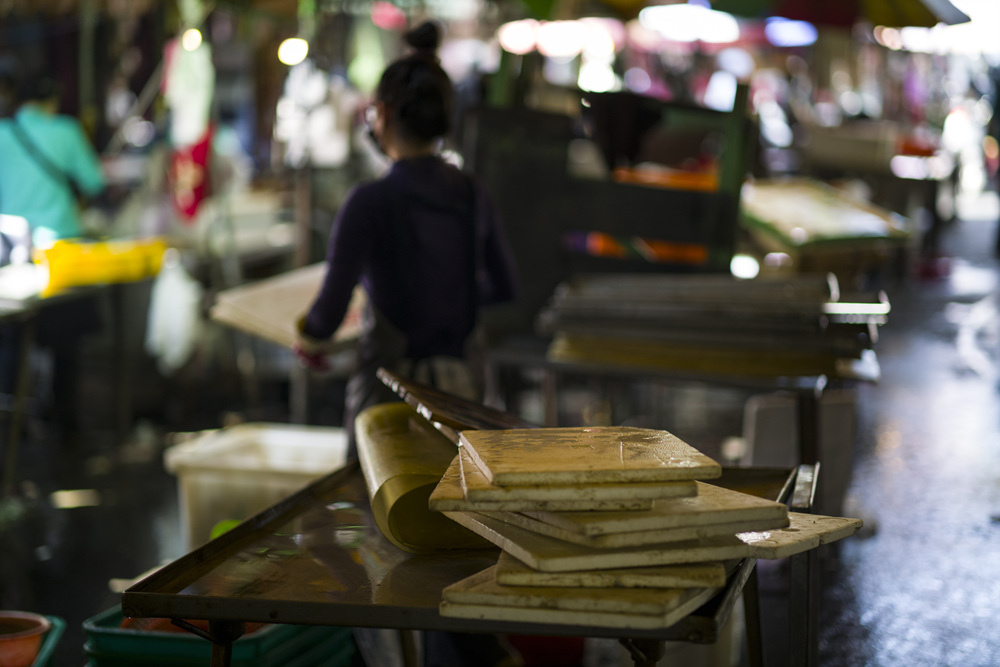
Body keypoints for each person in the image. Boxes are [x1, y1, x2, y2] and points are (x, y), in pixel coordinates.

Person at [294, 21, 518, 460]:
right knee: (459, 512)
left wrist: (310, 342)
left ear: (384, 113)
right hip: (463, 398)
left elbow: (329, 311)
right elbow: (506, 286)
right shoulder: (471, 192)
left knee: (384, 512)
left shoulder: (369, 201)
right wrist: (449, 299)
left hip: (389, 399)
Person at [0, 75, 106, 249]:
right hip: (59, 237)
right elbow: (93, 182)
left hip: (11, 240)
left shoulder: (2, 133)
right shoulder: (67, 130)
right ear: (53, 101)